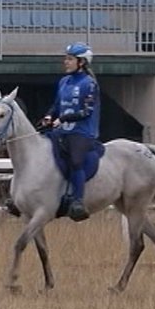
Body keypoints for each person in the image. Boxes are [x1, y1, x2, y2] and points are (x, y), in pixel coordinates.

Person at [42, 42, 100, 221]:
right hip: (62, 131)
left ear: (81, 62)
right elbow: (57, 105)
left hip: (82, 132)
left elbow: (86, 112)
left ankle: (77, 201)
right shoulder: (64, 82)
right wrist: (49, 117)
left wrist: (64, 119)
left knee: (76, 161)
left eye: (69, 59)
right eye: (65, 58)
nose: (65, 62)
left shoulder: (89, 84)